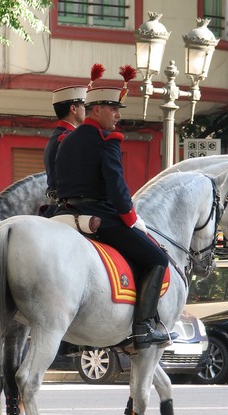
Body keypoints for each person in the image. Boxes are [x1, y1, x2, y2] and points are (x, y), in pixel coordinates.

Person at [55, 67, 170, 350]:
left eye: (118, 110)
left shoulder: (66, 140)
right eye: (113, 109)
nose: (118, 116)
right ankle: (143, 327)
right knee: (158, 259)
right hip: (102, 216)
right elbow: (117, 188)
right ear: (96, 111)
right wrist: (131, 219)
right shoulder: (108, 141)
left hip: (65, 214)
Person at [43, 85, 87, 207]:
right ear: (73, 109)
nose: (87, 111)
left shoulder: (58, 135)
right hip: (71, 204)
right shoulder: (70, 138)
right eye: (84, 106)